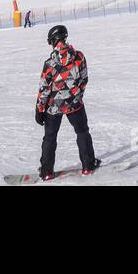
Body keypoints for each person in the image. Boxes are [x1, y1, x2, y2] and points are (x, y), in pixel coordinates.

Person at [34, 24, 99, 179]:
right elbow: (84, 78)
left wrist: (40, 109)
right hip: (74, 104)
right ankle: (88, 166)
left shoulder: (50, 63)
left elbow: (44, 89)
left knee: (50, 138)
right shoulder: (79, 57)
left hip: (53, 107)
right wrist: (77, 95)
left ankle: (47, 172)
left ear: (53, 41)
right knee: (82, 132)